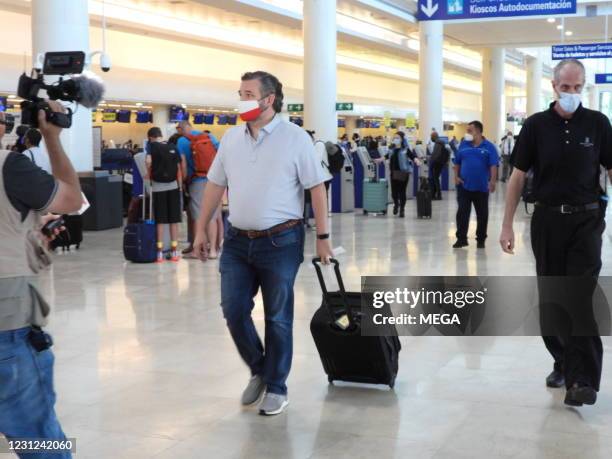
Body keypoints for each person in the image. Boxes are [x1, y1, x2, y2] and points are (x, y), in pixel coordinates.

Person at [193, 70, 333, 416]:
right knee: (233, 310)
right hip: (238, 242)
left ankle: (276, 386)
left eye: (248, 93)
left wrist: (324, 238)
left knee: (278, 317)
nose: (241, 99)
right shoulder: (230, 138)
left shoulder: (295, 138)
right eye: (240, 92)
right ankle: (259, 367)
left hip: (281, 241)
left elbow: (317, 187)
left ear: (268, 99)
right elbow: (214, 185)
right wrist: (199, 229)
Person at [500, 59, 612, 407]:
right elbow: (518, 177)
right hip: (547, 221)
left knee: (578, 297)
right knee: (552, 299)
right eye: (566, 88)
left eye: (578, 88)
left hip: (586, 220)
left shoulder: (598, 123)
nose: (572, 94)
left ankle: (583, 380)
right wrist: (505, 225)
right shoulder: (535, 126)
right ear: (554, 86)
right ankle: (562, 360)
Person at [0, 103, 83, 458]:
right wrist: (52, 137)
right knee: (37, 436)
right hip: (8, 322)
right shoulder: (10, 167)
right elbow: (72, 199)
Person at [176, 120, 220, 259]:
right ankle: (213, 250)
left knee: (197, 218)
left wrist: (183, 181)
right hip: (213, 180)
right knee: (212, 216)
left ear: (182, 129)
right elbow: (220, 156)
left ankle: (198, 251)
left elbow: (183, 165)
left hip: (196, 181)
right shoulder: (209, 137)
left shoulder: (182, 141)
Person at [452, 121, 499, 249]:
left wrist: (493, 181)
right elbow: (457, 163)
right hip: (463, 186)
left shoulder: (489, 147)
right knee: (462, 213)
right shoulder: (463, 145)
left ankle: (481, 239)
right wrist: (456, 176)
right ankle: (461, 239)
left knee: (482, 214)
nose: (467, 133)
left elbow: (493, 165)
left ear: (478, 131)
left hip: (482, 187)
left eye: (469, 130)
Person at [145, 127, 183, 263]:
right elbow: (179, 167)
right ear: (161, 135)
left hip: (158, 187)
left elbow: (148, 162)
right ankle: (174, 252)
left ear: (150, 137)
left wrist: (149, 171)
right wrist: (180, 185)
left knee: (160, 220)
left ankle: (159, 253)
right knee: (174, 220)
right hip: (173, 186)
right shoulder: (172, 146)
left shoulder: (151, 146)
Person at [387, 131, 419, 218]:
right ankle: (396, 204)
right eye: (394, 138)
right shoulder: (391, 149)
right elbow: (386, 156)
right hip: (393, 172)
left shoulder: (405, 149)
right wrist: (379, 160)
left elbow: (412, 156)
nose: (395, 139)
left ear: (401, 139)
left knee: (402, 192)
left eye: (397, 138)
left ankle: (402, 209)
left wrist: (416, 160)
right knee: (394, 193)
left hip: (403, 173)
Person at [428, 131, 449, 200]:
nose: (431, 138)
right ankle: (436, 194)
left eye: (431, 136)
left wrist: (431, 161)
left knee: (435, 179)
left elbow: (435, 154)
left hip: (436, 163)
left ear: (434, 136)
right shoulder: (442, 143)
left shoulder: (437, 143)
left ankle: (437, 195)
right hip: (440, 163)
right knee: (436, 178)